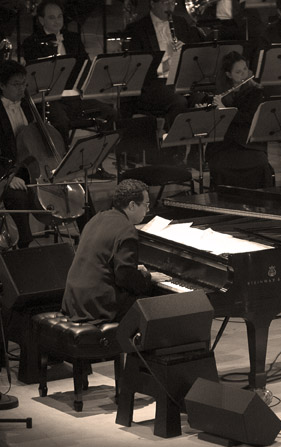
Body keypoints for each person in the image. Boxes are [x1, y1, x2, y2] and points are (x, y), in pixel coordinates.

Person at [62, 179, 170, 324]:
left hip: (74, 301)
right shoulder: (126, 230)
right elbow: (125, 278)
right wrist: (147, 277)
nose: (148, 210)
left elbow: (102, 262)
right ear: (132, 205)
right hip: (99, 306)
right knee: (160, 307)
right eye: (146, 205)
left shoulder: (97, 218)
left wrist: (134, 270)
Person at [21, 0, 116, 148]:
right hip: (50, 98)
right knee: (60, 122)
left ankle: (98, 153)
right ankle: (62, 160)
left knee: (111, 114)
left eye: (60, 17)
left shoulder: (72, 38)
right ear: (41, 20)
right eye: (52, 17)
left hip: (73, 96)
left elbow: (85, 66)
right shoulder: (31, 43)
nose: (57, 21)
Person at [125, 0, 202, 129]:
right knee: (179, 102)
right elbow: (138, 68)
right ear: (153, 3)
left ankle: (194, 144)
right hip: (153, 83)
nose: (170, 8)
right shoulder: (137, 28)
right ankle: (171, 145)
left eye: (173, 3)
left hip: (178, 79)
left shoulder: (181, 23)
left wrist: (184, 52)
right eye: (165, 3)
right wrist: (165, 63)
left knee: (200, 97)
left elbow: (194, 56)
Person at [205, 51, 271, 189]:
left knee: (260, 164)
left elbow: (248, 118)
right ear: (229, 75)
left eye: (245, 69)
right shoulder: (220, 93)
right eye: (238, 72)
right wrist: (206, 111)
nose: (244, 74)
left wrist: (224, 110)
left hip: (248, 143)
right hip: (224, 144)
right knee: (220, 166)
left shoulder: (256, 92)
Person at [0, 60, 36, 249]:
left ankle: (91, 234)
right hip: (6, 170)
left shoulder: (29, 106)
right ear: (2, 85)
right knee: (18, 196)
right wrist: (7, 177)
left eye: (24, 84)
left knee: (76, 186)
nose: (22, 89)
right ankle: (24, 245)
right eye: (16, 84)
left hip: (32, 167)